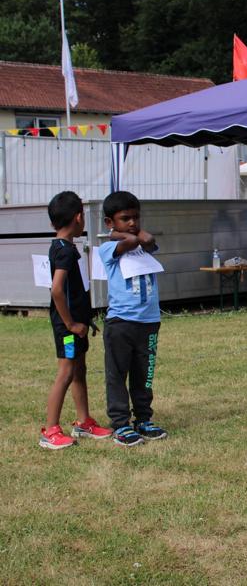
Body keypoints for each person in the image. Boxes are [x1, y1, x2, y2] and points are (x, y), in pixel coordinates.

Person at [40, 192, 113, 449]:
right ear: (79, 217)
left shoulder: (65, 247)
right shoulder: (65, 252)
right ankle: (50, 430)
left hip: (77, 324)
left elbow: (73, 290)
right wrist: (70, 324)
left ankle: (84, 422)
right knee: (67, 372)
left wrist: (84, 319)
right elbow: (57, 290)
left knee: (79, 370)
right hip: (68, 328)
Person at [99, 191, 169, 446]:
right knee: (117, 374)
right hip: (121, 322)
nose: (132, 223)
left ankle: (143, 418)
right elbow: (130, 241)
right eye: (125, 218)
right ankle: (120, 423)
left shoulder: (142, 246)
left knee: (144, 374)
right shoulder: (108, 248)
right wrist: (119, 235)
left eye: (136, 218)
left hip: (148, 322)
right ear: (109, 222)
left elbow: (149, 241)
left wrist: (130, 233)